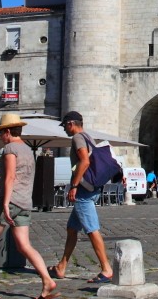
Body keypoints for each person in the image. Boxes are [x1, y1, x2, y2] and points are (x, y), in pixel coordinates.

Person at [0, 113, 56, 299]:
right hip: (24, 202)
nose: (0, 137)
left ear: (7, 131)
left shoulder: (10, 149)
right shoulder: (28, 150)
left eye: (1, 133)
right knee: (24, 245)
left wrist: (5, 203)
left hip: (7, 201)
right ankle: (47, 280)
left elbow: (9, 177)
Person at [49, 111, 113, 284]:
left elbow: (84, 161)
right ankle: (61, 266)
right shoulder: (88, 137)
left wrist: (74, 185)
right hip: (91, 187)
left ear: (71, 123)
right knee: (72, 229)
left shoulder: (77, 138)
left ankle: (106, 269)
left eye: (65, 126)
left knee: (91, 229)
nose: (65, 130)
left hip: (83, 191)